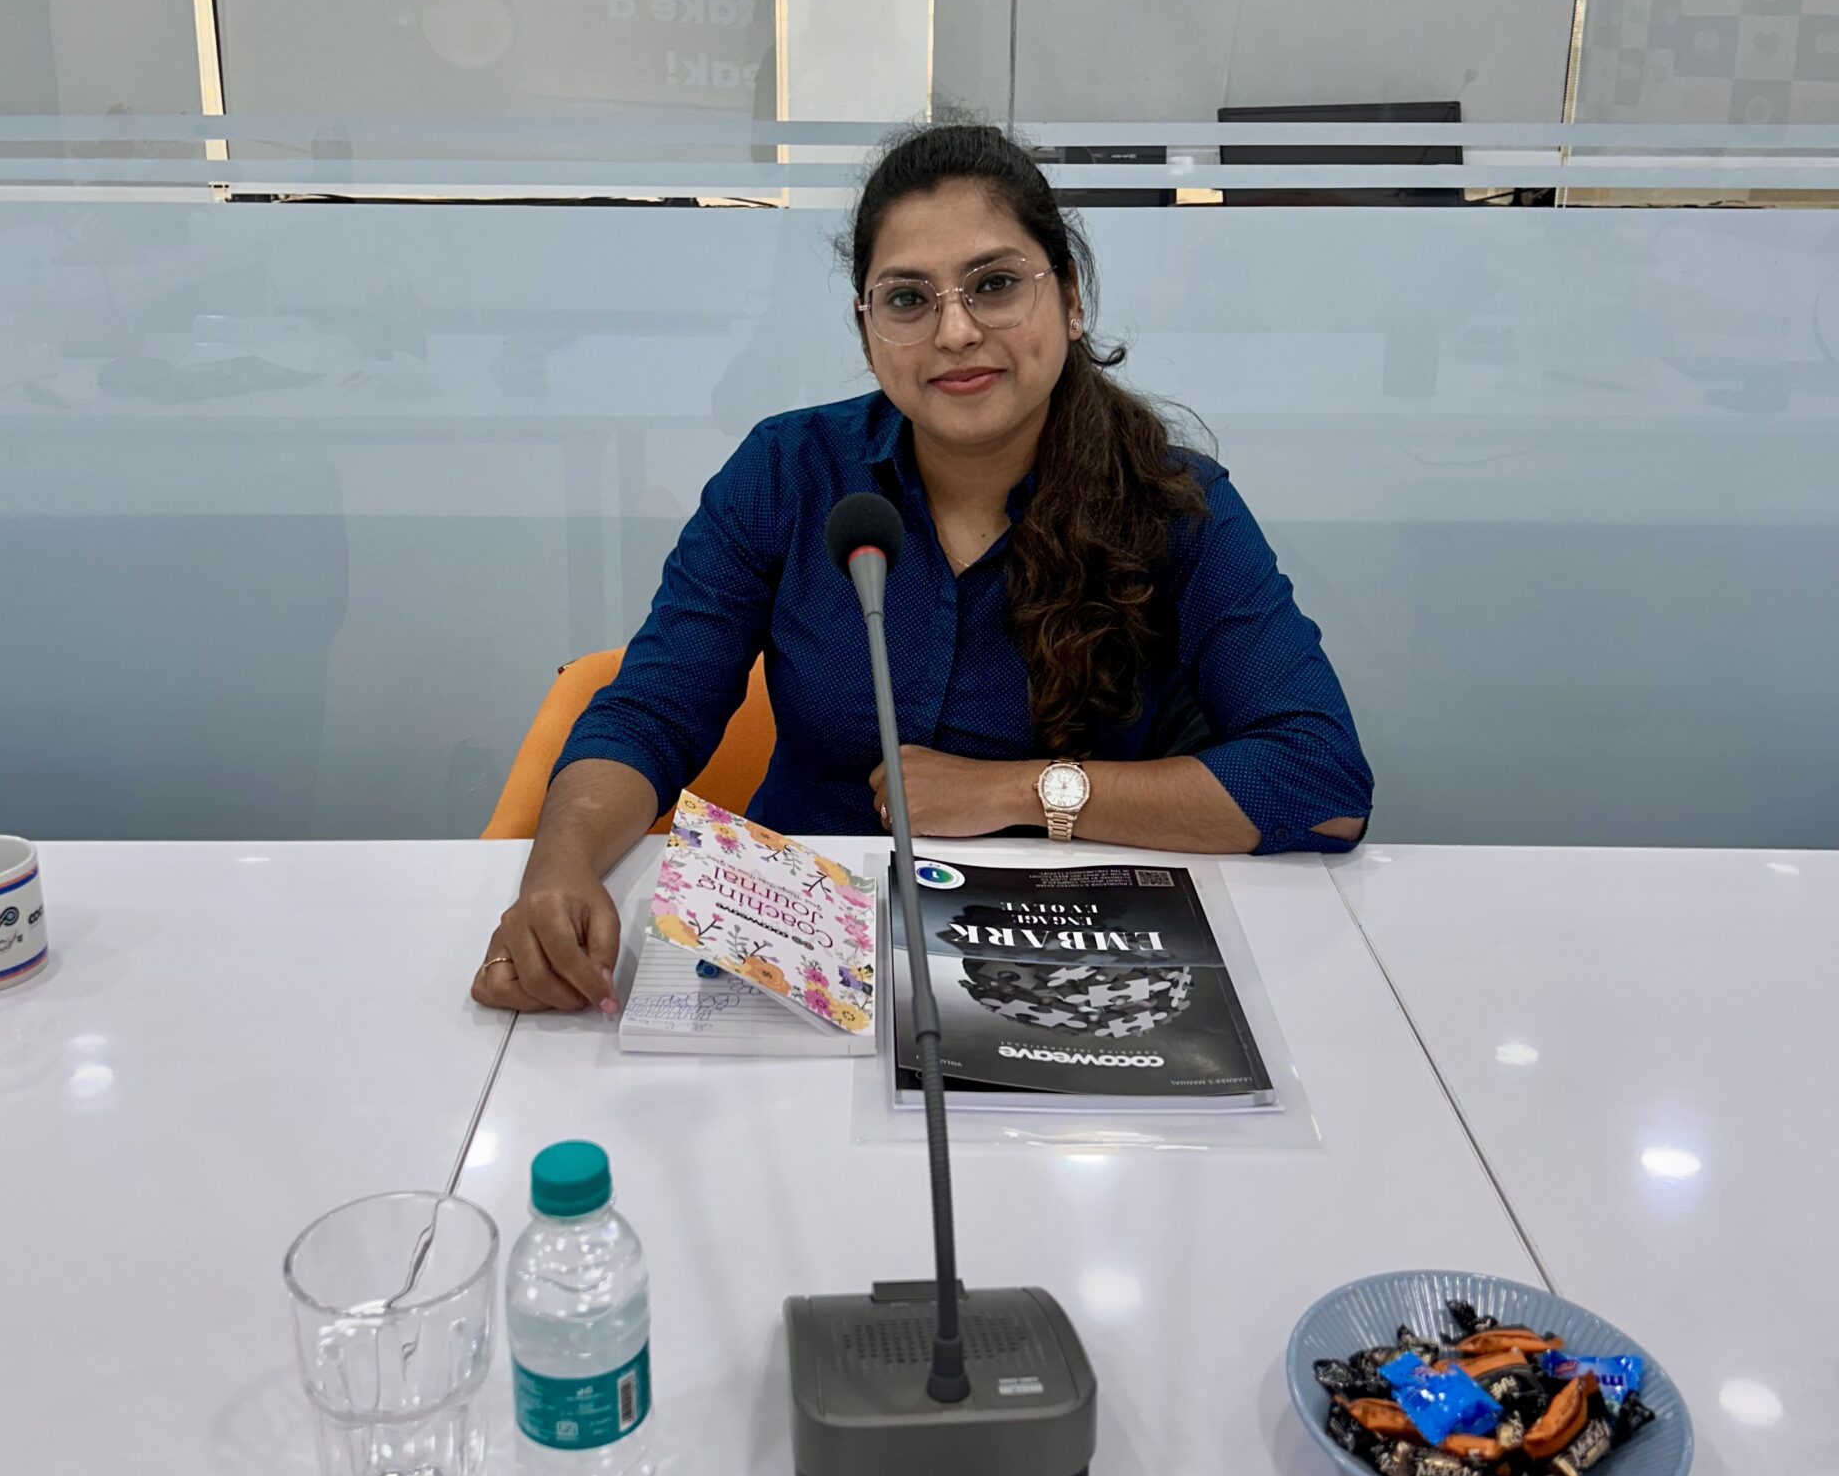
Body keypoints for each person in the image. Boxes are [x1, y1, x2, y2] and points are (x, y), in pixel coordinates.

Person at [474, 119, 1372, 1014]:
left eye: (994, 286)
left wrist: (1016, 791)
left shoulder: (1179, 504)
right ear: (868, 331)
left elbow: (1322, 782)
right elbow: (651, 712)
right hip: (800, 940)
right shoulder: (788, 472)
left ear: (1068, 300)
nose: (954, 331)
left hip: (1057, 950)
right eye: (907, 299)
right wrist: (557, 870)